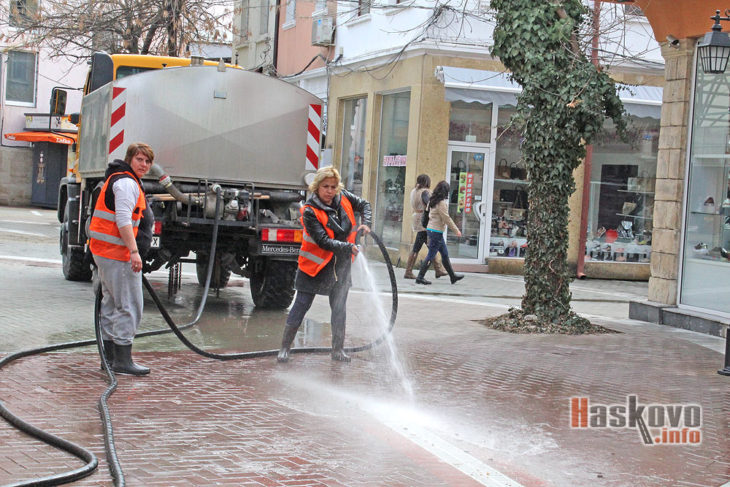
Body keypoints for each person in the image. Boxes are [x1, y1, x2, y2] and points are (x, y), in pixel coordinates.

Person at [278, 166, 372, 363]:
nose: (330, 191)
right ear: (317, 187)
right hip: (314, 267)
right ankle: (285, 348)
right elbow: (323, 241)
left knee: (339, 309)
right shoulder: (310, 211)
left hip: (340, 266)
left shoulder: (343, 197)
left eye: (333, 186)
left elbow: (364, 204)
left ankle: (338, 350)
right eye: (325, 186)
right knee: (301, 305)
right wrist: (348, 247)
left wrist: (366, 223)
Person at [89, 142, 155, 376]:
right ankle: (122, 360)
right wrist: (134, 252)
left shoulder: (118, 179)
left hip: (105, 252)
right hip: (118, 254)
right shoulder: (127, 184)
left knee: (110, 304)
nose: (144, 165)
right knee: (129, 306)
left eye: (147, 161)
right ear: (129, 160)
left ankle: (108, 358)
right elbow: (123, 219)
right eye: (139, 159)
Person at [416, 180, 464, 285]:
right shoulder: (441, 203)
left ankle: (452, 276)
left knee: (445, 254)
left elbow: (428, 213)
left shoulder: (432, 200)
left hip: (433, 230)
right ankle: (420, 277)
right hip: (436, 232)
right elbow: (446, 218)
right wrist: (456, 230)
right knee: (431, 255)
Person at [404, 174, 448, 280]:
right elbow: (430, 204)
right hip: (424, 220)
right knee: (426, 245)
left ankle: (437, 269)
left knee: (424, 245)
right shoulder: (425, 192)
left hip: (417, 217)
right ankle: (437, 269)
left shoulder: (414, 191)